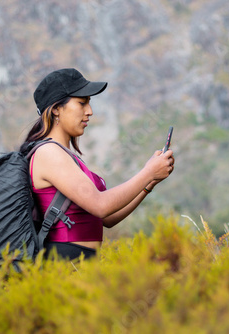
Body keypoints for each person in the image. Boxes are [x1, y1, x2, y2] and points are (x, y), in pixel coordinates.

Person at [21, 68, 175, 261]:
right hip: (63, 263)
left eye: (89, 103)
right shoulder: (49, 153)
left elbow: (106, 219)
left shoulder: (65, 155)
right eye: (82, 103)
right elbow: (101, 205)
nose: (90, 112)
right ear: (56, 109)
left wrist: (148, 183)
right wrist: (148, 171)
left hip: (79, 261)